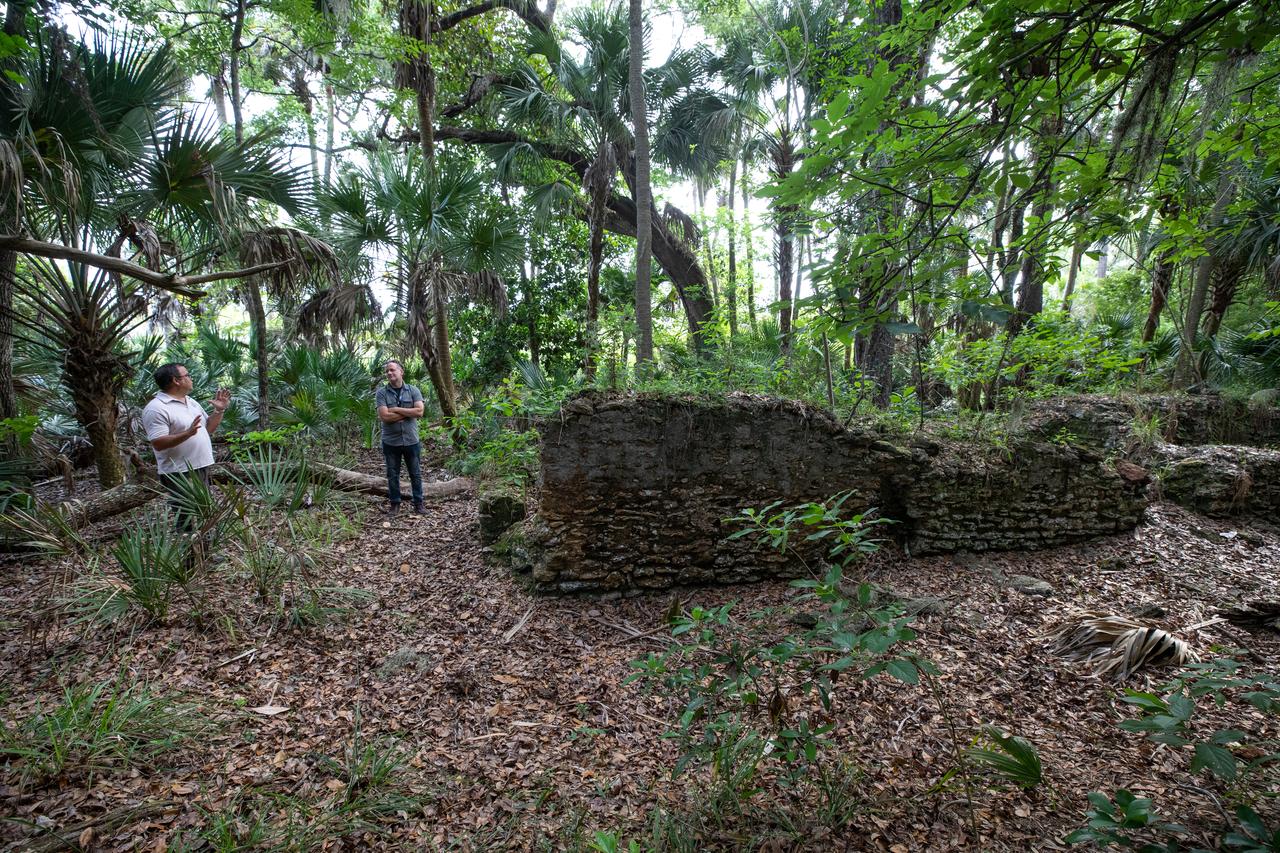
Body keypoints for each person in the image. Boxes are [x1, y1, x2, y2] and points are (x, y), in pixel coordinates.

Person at [140, 362, 231, 528]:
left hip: (200, 465)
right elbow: (158, 443)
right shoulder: (156, 408)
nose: (191, 378)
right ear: (176, 381)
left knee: (204, 512)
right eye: (187, 375)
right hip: (179, 472)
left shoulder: (190, 401)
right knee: (187, 518)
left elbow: (207, 428)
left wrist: (219, 411)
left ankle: (205, 550)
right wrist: (186, 434)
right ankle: (190, 551)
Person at [376, 359, 425, 515]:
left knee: (415, 474)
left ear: (401, 371)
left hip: (411, 440)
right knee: (392, 474)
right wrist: (407, 412)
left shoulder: (413, 390)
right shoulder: (381, 393)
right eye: (387, 371)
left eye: (392, 370)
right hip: (391, 442)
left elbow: (419, 412)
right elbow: (384, 417)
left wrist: (396, 409)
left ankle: (419, 503)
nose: (389, 373)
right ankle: (395, 504)